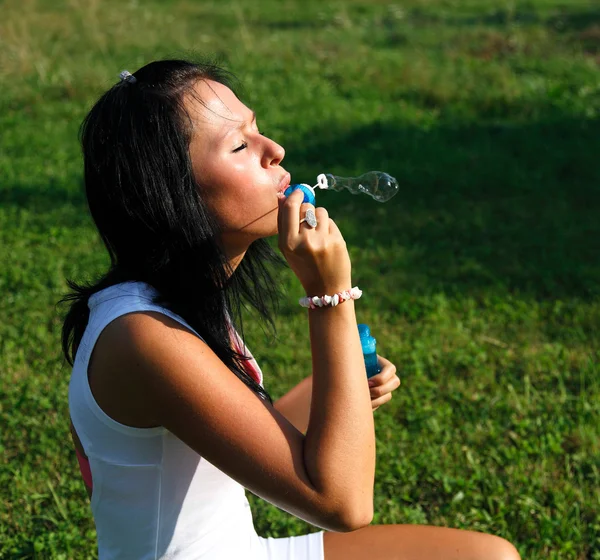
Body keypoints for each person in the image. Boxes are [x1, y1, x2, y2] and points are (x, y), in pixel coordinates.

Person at [59, 59, 521, 560]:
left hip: (239, 549)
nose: (274, 150)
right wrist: (331, 297)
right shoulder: (144, 336)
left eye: (256, 130)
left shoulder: (172, 300)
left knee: (488, 556)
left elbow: (233, 430)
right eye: (239, 145)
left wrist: (345, 389)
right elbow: (342, 504)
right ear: (173, 192)